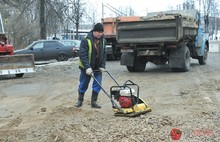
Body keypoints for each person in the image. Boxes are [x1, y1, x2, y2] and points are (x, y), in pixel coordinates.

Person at [75, 23, 106, 109]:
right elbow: (83, 55)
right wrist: (87, 67)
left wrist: (102, 65)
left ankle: (94, 102)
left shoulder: (103, 40)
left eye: (101, 32)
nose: (100, 34)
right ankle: (80, 100)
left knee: (98, 84)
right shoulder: (86, 40)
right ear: (94, 31)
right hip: (86, 67)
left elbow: (104, 54)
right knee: (83, 84)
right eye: (98, 32)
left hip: (97, 67)